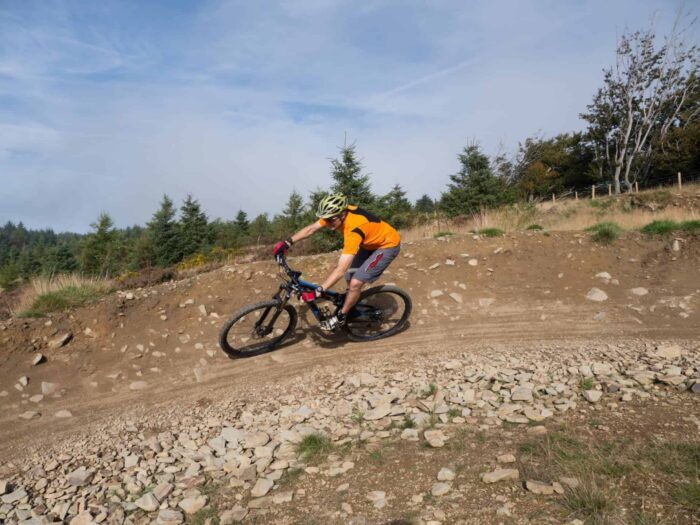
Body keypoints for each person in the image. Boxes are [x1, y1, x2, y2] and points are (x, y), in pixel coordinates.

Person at [272, 193, 401, 331]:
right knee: (350, 277)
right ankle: (352, 303)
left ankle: (341, 316)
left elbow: (340, 269)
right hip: (368, 243)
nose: (327, 223)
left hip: (387, 245)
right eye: (325, 220)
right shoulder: (333, 214)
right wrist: (287, 243)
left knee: (355, 283)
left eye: (331, 220)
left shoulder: (354, 229)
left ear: (343, 214)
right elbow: (311, 228)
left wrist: (318, 292)